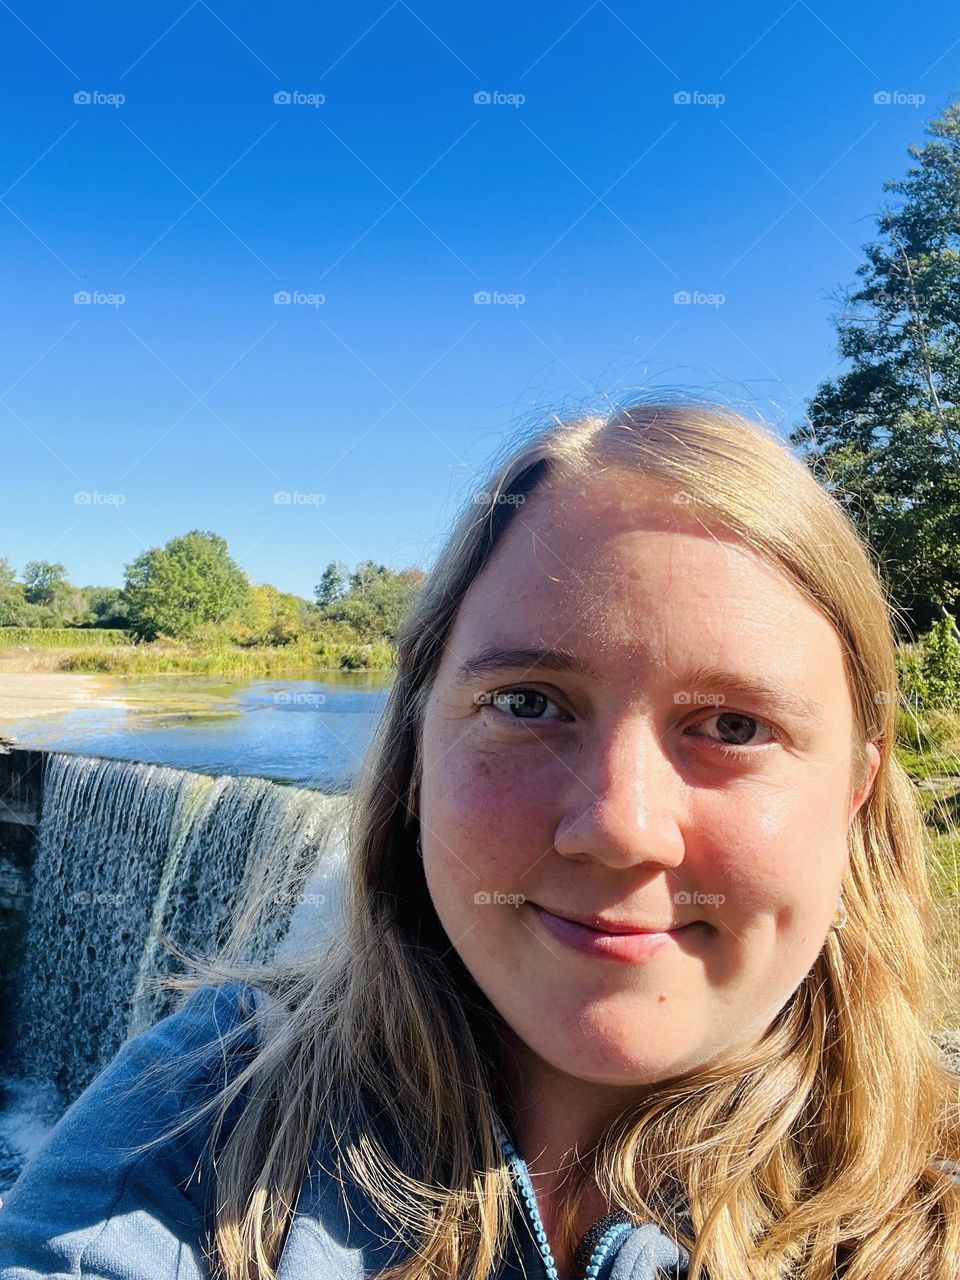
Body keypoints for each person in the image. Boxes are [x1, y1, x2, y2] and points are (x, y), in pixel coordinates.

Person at [2, 396, 959, 1280]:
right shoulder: (203, 1110)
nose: (620, 828)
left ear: (855, 789)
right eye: (527, 702)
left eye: (735, 727)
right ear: (416, 753)